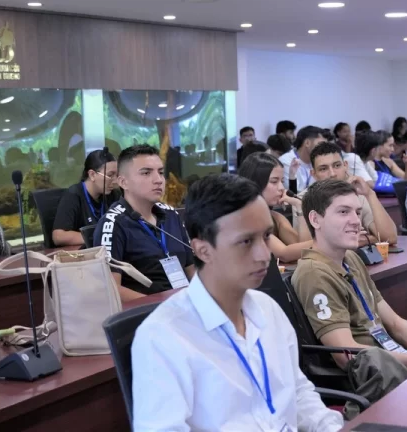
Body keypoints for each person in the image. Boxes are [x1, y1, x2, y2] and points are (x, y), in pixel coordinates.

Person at [131, 174, 343, 432]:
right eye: (245, 241)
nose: (264, 255)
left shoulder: (268, 309)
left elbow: (298, 392)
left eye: (266, 236)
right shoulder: (163, 336)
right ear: (202, 250)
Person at [292, 180, 407, 371]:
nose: (356, 221)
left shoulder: (351, 258)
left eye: (357, 212)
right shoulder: (314, 273)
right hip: (374, 377)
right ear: (315, 219)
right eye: (343, 212)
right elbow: (346, 355)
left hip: (393, 362)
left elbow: (395, 324)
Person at [93, 145, 195, 300]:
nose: (158, 180)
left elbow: (191, 269)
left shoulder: (171, 214)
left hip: (184, 303)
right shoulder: (113, 223)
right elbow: (110, 288)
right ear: (123, 182)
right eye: (146, 173)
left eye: (161, 172)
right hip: (148, 309)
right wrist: (163, 306)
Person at [305, 142, 398, 245]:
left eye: (337, 165)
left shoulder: (357, 195)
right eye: (323, 169)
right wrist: (369, 238)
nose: (332, 174)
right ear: (313, 174)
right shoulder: (305, 199)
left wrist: (370, 194)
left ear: (345, 166)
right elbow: (304, 246)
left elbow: (390, 238)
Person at [238, 153, 312, 262]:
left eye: (282, 181)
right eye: (274, 181)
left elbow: (303, 249)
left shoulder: (276, 217)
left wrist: (300, 208)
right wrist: (327, 241)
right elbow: (284, 254)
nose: (281, 188)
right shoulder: (245, 219)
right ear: (254, 183)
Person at [53, 150, 120, 246]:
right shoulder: (73, 195)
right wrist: (97, 237)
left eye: (116, 175)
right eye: (110, 175)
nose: (115, 181)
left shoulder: (113, 194)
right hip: (82, 252)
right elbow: (58, 236)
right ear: (92, 175)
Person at [279, 126, 326, 190]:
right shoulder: (286, 161)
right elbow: (293, 192)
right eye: (320, 144)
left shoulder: (319, 160)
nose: (323, 148)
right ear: (307, 143)